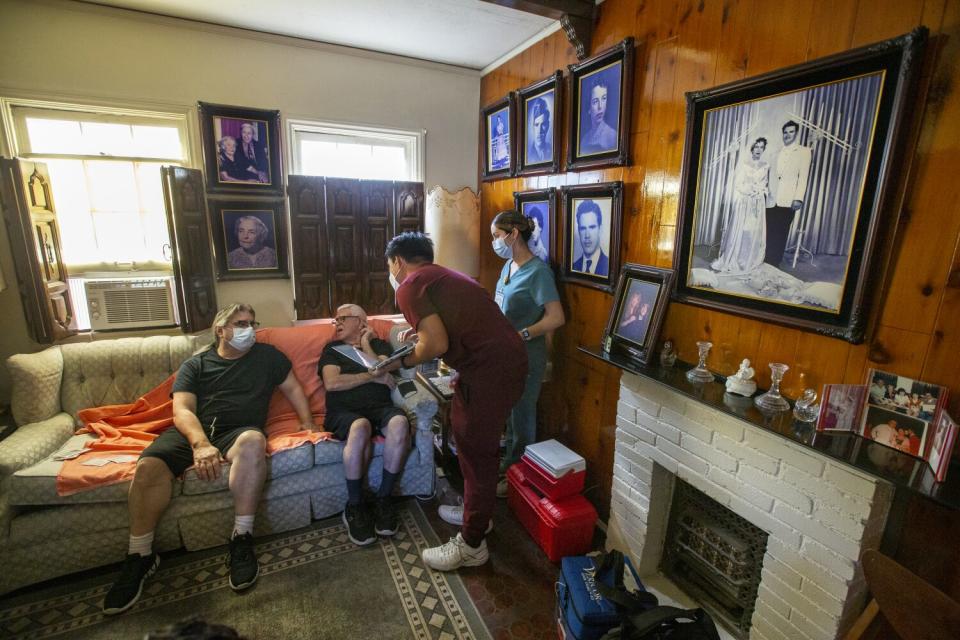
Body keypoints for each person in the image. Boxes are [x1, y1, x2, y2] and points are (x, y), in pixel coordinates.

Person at [103, 303, 319, 615]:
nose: (249, 329)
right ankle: (140, 555)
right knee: (149, 466)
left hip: (239, 430)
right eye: (240, 323)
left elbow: (294, 389)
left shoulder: (268, 357)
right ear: (220, 330)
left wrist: (307, 421)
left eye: (251, 323)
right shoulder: (197, 364)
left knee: (254, 442)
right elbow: (182, 410)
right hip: (194, 431)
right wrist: (200, 444)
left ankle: (242, 537)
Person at [381, 232, 527, 571]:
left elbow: (434, 344)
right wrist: (419, 336)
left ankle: (472, 544)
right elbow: (453, 326)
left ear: (397, 261)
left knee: (475, 453)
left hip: (486, 372)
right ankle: (478, 516)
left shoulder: (409, 285)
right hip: (507, 364)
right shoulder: (444, 275)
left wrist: (401, 361)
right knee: (478, 446)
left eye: (390, 266)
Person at [318, 304, 410, 546]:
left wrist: (367, 344)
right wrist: (372, 376)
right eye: (334, 319)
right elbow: (333, 383)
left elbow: (388, 368)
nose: (336, 323)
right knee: (360, 427)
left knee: (401, 423)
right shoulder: (332, 349)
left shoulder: (378, 345)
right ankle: (355, 505)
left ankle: (384, 499)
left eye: (342, 318)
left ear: (360, 321)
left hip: (380, 408)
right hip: (344, 411)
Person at [488, 210, 564, 496]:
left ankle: (517, 474)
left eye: (497, 236)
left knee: (522, 414)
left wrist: (524, 334)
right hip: (504, 352)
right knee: (508, 411)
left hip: (527, 354)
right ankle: (508, 462)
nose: (494, 242)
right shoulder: (508, 267)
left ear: (513, 234)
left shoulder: (539, 272)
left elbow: (556, 318)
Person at [711, 138, 770, 274]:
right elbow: (738, 184)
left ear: (764, 149)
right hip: (745, 200)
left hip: (757, 202)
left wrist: (760, 191)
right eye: (756, 147)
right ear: (752, 148)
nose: (758, 149)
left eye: (761, 147)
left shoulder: (766, 165)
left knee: (753, 231)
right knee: (742, 229)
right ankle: (737, 259)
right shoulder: (744, 164)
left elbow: (765, 183)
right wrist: (749, 191)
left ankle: (750, 259)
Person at [766, 120, 812, 266]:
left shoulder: (804, 152)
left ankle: (774, 262)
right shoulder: (775, 153)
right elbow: (771, 176)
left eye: (791, 132)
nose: (787, 135)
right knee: (768, 230)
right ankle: (765, 260)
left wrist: (798, 198)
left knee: (781, 231)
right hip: (772, 199)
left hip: (788, 199)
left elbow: (803, 177)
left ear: (796, 133)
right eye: (785, 132)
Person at [580, 76, 617, 154]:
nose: (600, 106)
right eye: (595, 101)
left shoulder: (612, 136)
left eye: (604, 98)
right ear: (589, 108)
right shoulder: (584, 140)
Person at [571, 199, 608, 275]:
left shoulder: (609, 267)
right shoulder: (574, 267)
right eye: (583, 228)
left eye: (592, 227)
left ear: (600, 229)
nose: (587, 235)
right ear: (578, 231)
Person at [527, 97, 552, 163]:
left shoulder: (551, 150)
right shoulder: (528, 156)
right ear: (533, 126)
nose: (539, 131)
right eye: (536, 125)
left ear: (548, 125)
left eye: (543, 124)